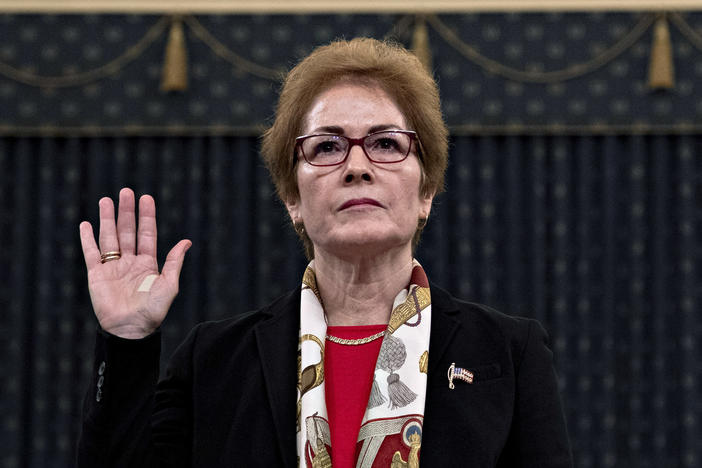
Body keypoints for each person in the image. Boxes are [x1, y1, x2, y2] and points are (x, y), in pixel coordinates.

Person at [77, 37, 573, 467]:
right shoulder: (213, 361)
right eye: (327, 147)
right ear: (292, 197)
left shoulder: (508, 352)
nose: (357, 166)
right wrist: (127, 339)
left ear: (426, 192)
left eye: (385, 143)